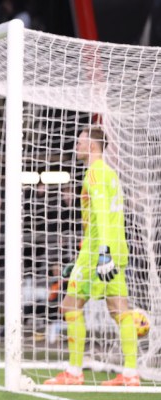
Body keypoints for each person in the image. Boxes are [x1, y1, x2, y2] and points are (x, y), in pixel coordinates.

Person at [44, 126, 138, 386]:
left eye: (81, 141)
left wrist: (101, 254)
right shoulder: (111, 174)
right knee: (120, 311)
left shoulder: (94, 174)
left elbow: (102, 216)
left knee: (70, 306)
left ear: (93, 147)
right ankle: (130, 374)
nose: (77, 146)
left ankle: (74, 372)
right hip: (117, 249)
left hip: (100, 251)